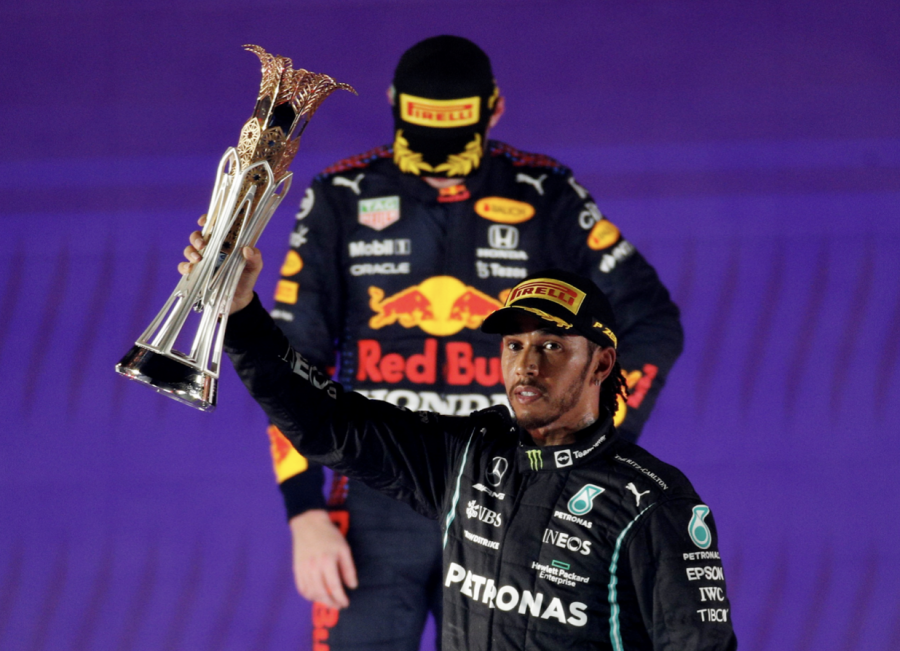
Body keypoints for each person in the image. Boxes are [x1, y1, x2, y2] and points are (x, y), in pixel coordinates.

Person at [264, 35, 683, 650]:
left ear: (495, 109)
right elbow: (290, 362)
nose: (438, 158)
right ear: (392, 105)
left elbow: (650, 322)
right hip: (375, 492)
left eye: (455, 134)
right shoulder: (340, 197)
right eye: (422, 131)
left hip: (510, 491)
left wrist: (588, 443)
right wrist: (303, 511)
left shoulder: (545, 194)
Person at [180, 234, 735, 649]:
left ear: (603, 362)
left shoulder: (653, 502)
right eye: (514, 346)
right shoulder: (469, 452)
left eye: (551, 346)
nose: (526, 365)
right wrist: (241, 314)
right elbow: (329, 424)